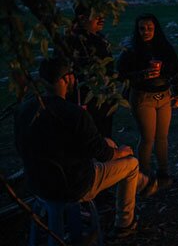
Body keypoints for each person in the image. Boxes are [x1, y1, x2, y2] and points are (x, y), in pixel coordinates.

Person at [14, 57, 157, 239]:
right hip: (74, 184)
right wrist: (121, 152)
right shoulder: (74, 114)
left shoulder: (25, 109)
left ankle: (143, 183)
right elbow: (103, 154)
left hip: (37, 183)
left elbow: (22, 146)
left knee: (109, 142)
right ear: (65, 79)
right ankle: (125, 223)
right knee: (131, 163)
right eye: (71, 76)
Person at [118, 14, 178, 188]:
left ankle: (164, 173)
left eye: (149, 28)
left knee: (162, 137)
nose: (145, 31)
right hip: (143, 97)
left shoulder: (164, 48)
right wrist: (141, 75)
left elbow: (176, 70)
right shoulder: (132, 51)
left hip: (163, 96)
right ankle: (144, 177)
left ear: (156, 29)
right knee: (148, 138)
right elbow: (120, 74)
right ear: (137, 30)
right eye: (142, 28)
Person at [66, 2, 117, 138]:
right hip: (86, 100)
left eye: (103, 15)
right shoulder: (75, 42)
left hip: (103, 98)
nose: (102, 19)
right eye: (96, 16)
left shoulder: (98, 38)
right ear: (82, 18)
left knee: (104, 135)